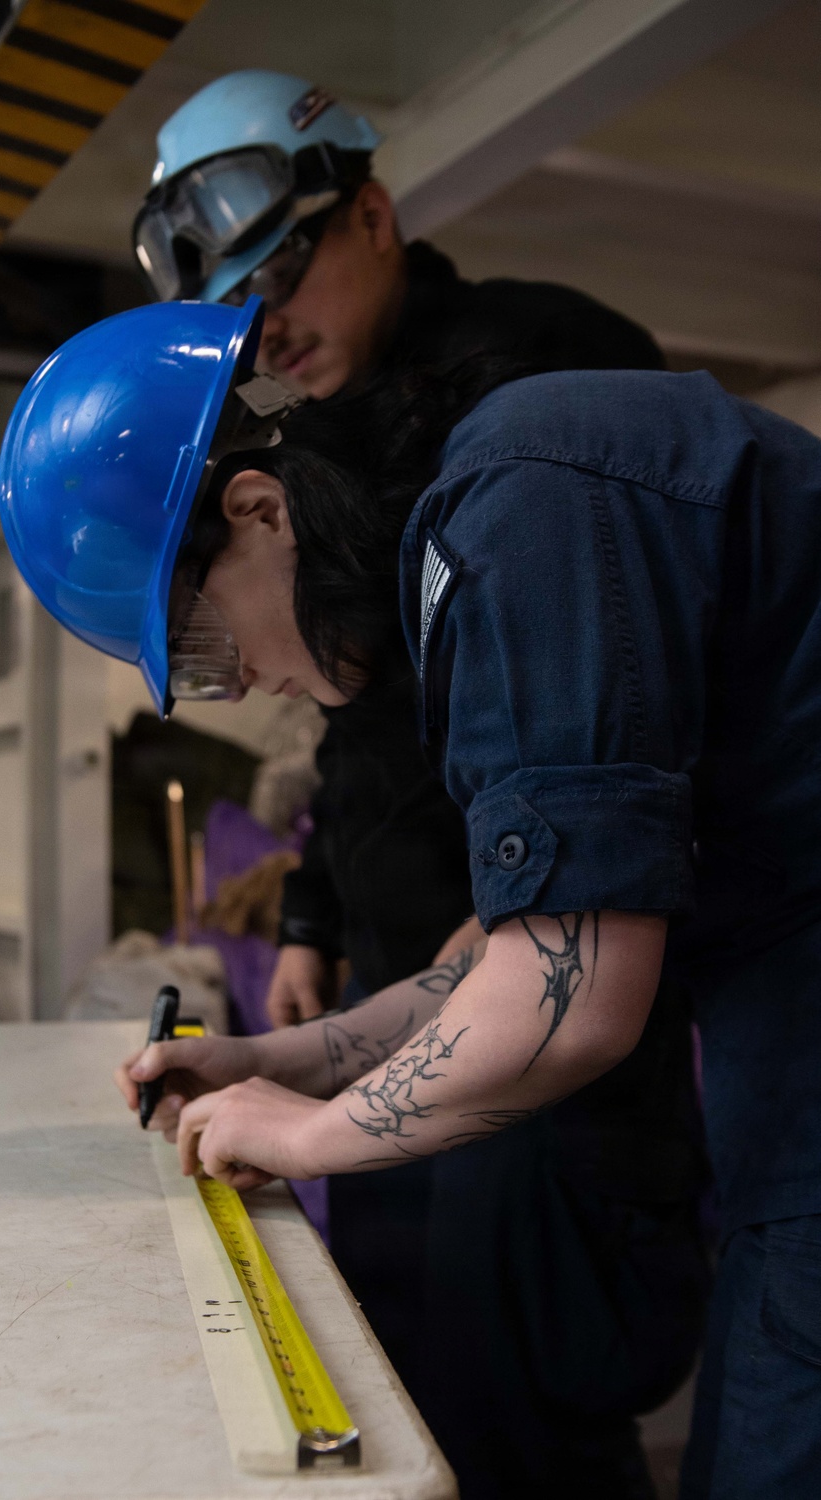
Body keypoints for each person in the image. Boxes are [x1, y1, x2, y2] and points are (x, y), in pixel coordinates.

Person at [0, 299, 821, 1498]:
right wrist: (273, 1058)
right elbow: (497, 956)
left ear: (258, 510)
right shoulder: (479, 548)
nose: (239, 688)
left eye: (207, 645)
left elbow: (570, 995)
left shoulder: (520, 512)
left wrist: (308, 1138)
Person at [129, 73, 706, 1498]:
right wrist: (311, 951)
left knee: (531, 1387)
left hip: (564, 946)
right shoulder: (314, 450)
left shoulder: (537, 409)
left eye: (280, 273)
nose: (267, 329)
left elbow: (585, 851)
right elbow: (355, 728)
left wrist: (318, 1112)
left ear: (371, 212)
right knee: (406, 1374)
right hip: (457, 957)